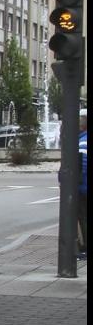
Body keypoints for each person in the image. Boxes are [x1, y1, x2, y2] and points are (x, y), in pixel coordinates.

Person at [78, 110, 87, 260]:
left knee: (83, 217)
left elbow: (82, 163)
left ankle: (84, 248)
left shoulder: (83, 140)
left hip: (82, 187)